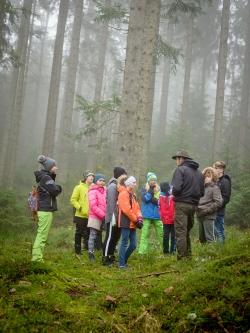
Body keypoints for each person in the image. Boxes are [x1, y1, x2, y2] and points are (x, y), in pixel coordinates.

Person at [171, 150, 204, 260]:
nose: (176, 161)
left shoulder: (180, 170)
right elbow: (202, 192)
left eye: (177, 158)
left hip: (181, 204)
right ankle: (188, 256)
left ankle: (182, 259)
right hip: (193, 206)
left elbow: (176, 188)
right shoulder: (199, 172)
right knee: (186, 232)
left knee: (180, 232)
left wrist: (174, 194)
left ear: (181, 159)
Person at [32, 155, 62, 262]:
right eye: (54, 166)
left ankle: (38, 257)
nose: (56, 168)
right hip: (45, 210)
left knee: (42, 234)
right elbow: (55, 191)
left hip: (44, 209)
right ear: (49, 167)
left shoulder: (45, 177)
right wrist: (59, 187)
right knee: (42, 235)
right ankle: (36, 259)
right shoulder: (46, 178)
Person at [102, 167, 127, 266]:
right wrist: (113, 217)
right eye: (124, 174)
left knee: (115, 238)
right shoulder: (112, 186)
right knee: (109, 237)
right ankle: (105, 257)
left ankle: (111, 256)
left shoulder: (119, 186)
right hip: (113, 217)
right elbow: (111, 203)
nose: (125, 177)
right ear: (119, 175)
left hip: (118, 217)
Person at [118, 176, 143, 268]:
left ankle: (123, 261)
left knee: (133, 245)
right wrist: (136, 220)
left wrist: (140, 218)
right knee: (124, 243)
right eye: (134, 182)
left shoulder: (133, 195)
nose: (135, 184)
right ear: (129, 183)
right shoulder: (123, 194)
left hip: (133, 223)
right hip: (126, 222)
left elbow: (137, 208)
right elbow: (126, 210)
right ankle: (121, 264)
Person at [70, 170, 94, 257]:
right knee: (79, 233)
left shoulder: (93, 188)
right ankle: (77, 251)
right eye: (90, 176)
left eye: (92, 176)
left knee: (87, 233)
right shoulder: (78, 187)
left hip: (90, 215)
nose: (92, 177)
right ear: (85, 178)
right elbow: (73, 200)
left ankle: (87, 249)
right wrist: (80, 208)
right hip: (80, 215)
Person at [138, 172, 163, 255]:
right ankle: (142, 252)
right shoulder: (144, 189)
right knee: (145, 234)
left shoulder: (159, 189)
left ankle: (166, 250)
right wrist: (151, 191)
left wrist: (155, 200)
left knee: (161, 233)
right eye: (151, 180)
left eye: (154, 180)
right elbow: (145, 199)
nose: (153, 181)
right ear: (148, 181)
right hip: (147, 215)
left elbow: (160, 201)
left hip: (157, 215)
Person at [196, 167, 223, 244]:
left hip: (208, 216)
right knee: (201, 239)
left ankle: (212, 254)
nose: (206, 178)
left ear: (213, 177)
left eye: (209, 176)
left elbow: (218, 202)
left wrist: (206, 211)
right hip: (199, 215)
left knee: (209, 238)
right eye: (205, 176)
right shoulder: (200, 188)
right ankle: (204, 255)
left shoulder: (215, 188)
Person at [87, 173, 106, 262]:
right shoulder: (92, 191)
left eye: (103, 180)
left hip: (104, 216)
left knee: (103, 235)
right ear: (95, 181)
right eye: (100, 180)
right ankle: (90, 253)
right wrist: (103, 215)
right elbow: (93, 206)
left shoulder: (104, 191)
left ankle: (104, 252)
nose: (102, 182)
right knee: (93, 235)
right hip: (95, 216)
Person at [212, 161, 231, 243]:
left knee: (219, 232)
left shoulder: (225, 181)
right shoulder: (215, 180)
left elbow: (226, 198)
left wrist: (216, 206)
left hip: (219, 211)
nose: (216, 170)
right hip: (212, 210)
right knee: (214, 232)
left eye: (218, 168)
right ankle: (218, 251)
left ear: (222, 169)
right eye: (215, 168)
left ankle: (221, 250)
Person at [159, 181, 175, 254]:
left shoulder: (174, 195)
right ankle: (166, 251)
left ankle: (173, 251)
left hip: (173, 218)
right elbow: (159, 207)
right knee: (166, 236)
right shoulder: (161, 196)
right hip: (165, 219)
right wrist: (161, 216)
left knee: (173, 236)